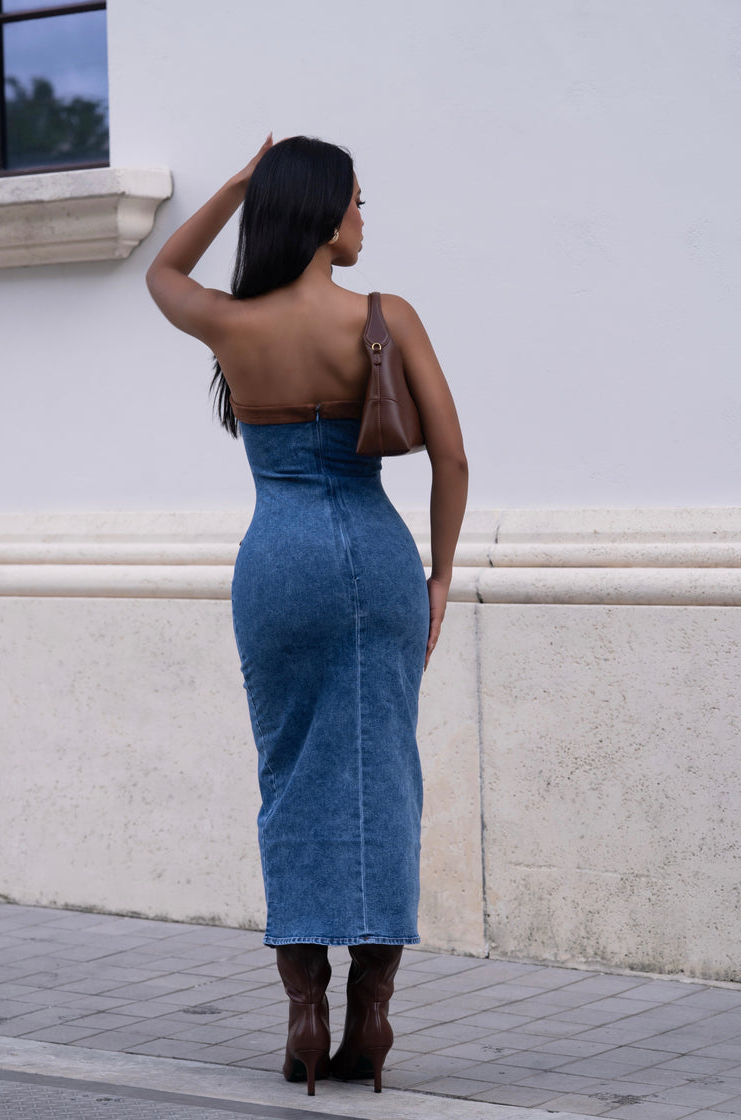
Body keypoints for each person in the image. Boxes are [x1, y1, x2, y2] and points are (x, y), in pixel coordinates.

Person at [146, 134, 468, 1095]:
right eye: (357, 202)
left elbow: (161, 272)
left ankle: (304, 1010)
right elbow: (452, 458)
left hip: (277, 563)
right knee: (384, 771)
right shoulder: (385, 317)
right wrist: (441, 578)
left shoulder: (231, 322)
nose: (364, 218)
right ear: (326, 218)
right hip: (374, 554)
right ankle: (372, 1007)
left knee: (288, 773)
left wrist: (235, 187)